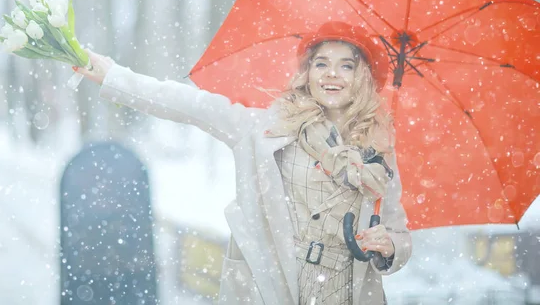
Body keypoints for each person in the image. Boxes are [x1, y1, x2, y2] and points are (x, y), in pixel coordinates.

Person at [73, 21, 412, 304]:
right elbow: (191, 105)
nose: (332, 74)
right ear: (307, 73)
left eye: (346, 65)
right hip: (270, 285)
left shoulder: (378, 151)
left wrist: (388, 245)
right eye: (321, 63)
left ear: (362, 77)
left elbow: (398, 233)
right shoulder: (266, 129)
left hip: (345, 292)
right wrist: (113, 77)